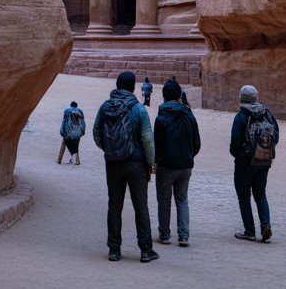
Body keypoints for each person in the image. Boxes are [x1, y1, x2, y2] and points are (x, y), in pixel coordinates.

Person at [93, 71, 159, 263]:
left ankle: (114, 250)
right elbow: (147, 139)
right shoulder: (139, 109)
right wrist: (150, 163)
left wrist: (109, 149)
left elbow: (96, 132)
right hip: (136, 164)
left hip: (113, 163)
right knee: (141, 207)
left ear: (117, 85)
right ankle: (146, 250)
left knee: (114, 206)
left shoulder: (105, 107)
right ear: (133, 87)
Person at [153, 79, 201, 247]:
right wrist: (189, 156)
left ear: (164, 96)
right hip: (185, 165)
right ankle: (183, 236)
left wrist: (155, 162)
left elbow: (157, 144)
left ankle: (165, 235)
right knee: (182, 199)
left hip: (166, 166)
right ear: (179, 95)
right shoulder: (189, 114)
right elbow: (197, 143)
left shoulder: (161, 117)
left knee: (164, 200)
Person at [230, 84, 279, 243]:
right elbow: (275, 137)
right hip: (264, 161)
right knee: (260, 194)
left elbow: (234, 145)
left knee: (244, 196)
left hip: (245, 163)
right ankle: (266, 225)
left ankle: (249, 231)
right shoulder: (267, 114)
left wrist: (241, 156)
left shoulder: (241, 117)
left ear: (241, 98)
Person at [58, 100, 85, 165]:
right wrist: (82, 132)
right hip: (77, 133)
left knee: (63, 144)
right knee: (75, 146)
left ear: (71, 105)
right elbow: (82, 123)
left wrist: (62, 131)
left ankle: (59, 160)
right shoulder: (80, 111)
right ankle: (77, 161)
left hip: (68, 133)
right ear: (76, 106)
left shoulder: (67, 111)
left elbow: (64, 122)